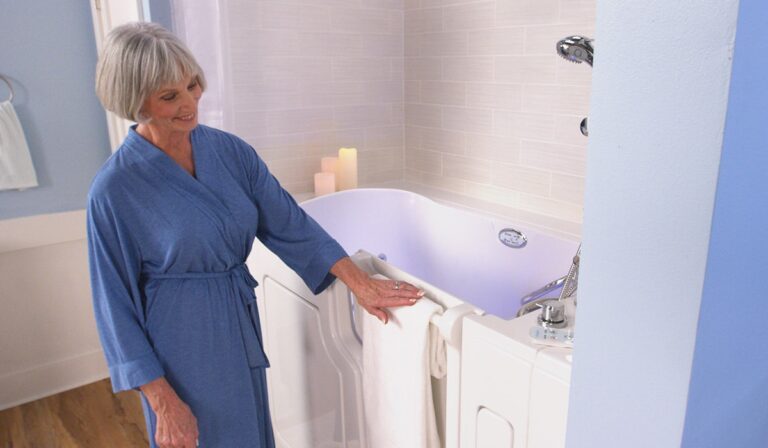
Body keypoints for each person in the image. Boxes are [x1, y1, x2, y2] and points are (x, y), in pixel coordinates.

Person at [87, 22, 423, 448]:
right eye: (170, 96)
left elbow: (290, 224)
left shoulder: (230, 152)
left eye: (193, 85)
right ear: (135, 102)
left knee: (248, 432)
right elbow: (113, 305)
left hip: (237, 319)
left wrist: (359, 283)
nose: (190, 103)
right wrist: (162, 401)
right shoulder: (115, 188)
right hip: (179, 340)